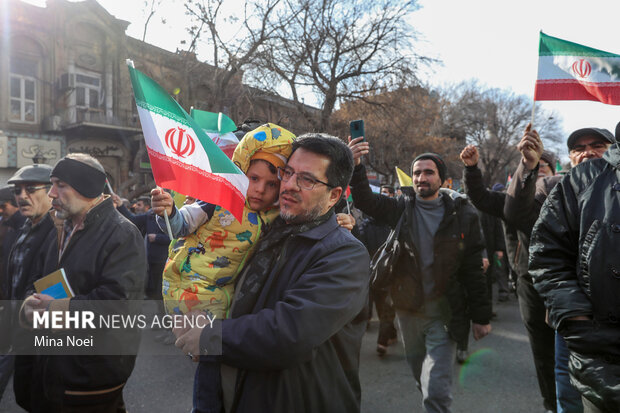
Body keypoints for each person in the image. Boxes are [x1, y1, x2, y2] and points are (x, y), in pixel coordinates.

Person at [173, 133, 369, 413]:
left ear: (334, 196)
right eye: (287, 173)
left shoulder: (345, 254)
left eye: (307, 179)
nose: (288, 186)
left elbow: (290, 333)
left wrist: (210, 337)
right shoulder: (265, 231)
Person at [151, 123, 296, 413]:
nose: (260, 190)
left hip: (225, 301)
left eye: (271, 185)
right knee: (209, 369)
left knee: (220, 367)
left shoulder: (275, 217)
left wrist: (343, 222)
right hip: (189, 289)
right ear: (241, 171)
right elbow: (181, 225)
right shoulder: (217, 199)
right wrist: (167, 211)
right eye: (254, 178)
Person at [350, 138, 491, 413]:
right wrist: (357, 166)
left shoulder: (462, 215)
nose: (421, 177)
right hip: (408, 311)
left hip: (446, 313)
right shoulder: (401, 209)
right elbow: (364, 199)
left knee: (436, 388)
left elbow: (473, 269)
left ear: (442, 179)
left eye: (428, 172)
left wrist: (482, 317)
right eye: (416, 172)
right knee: (421, 378)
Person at [18, 153, 146, 412]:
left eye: (60, 184)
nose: (52, 193)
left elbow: (118, 306)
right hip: (52, 367)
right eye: (52, 184)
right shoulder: (59, 227)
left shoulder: (122, 234)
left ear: (86, 186)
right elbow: (39, 277)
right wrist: (30, 301)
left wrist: (57, 309)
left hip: (88, 379)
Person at [504, 125, 615, 413]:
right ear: (570, 158)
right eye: (578, 148)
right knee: (567, 395)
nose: (588, 151)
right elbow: (516, 213)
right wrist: (528, 166)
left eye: (597, 145)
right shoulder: (555, 187)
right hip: (574, 323)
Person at [460, 142, 557, 412]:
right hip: (529, 283)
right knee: (543, 349)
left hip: (570, 284)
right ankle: (551, 402)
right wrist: (471, 169)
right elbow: (479, 196)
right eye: (531, 172)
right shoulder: (510, 202)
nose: (538, 179)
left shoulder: (571, 200)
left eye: (543, 171)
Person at [0, 166, 55, 403]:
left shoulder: (60, 233)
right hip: (14, 324)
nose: (22, 196)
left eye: (31, 189)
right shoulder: (23, 228)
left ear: (52, 192)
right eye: (18, 190)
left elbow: (55, 291)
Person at [358, 184, 398, 356]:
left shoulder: (395, 224)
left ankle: (383, 340)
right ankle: (386, 336)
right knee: (380, 308)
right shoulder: (365, 227)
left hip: (390, 274)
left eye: (388, 194)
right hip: (372, 273)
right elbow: (360, 248)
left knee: (386, 309)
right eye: (382, 194)